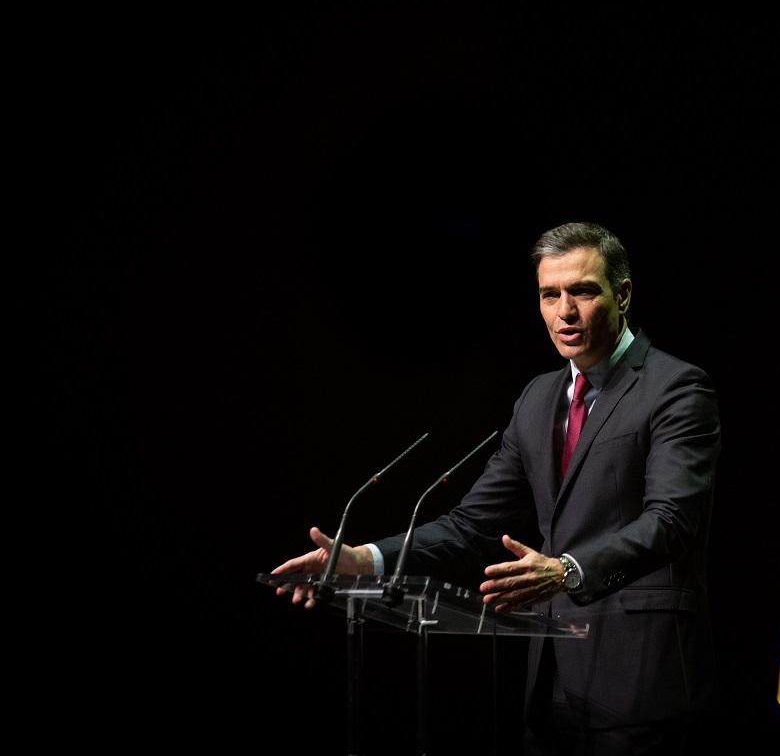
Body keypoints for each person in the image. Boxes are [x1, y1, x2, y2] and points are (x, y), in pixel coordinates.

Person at [272, 222, 720, 754]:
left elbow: (671, 520)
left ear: (622, 294)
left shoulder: (675, 388)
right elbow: (471, 524)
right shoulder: (537, 399)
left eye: (582, 291)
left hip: (640, 679)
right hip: (549, 683)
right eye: (549, 295)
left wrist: (567, 568)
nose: (564, 312)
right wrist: (362, 559)